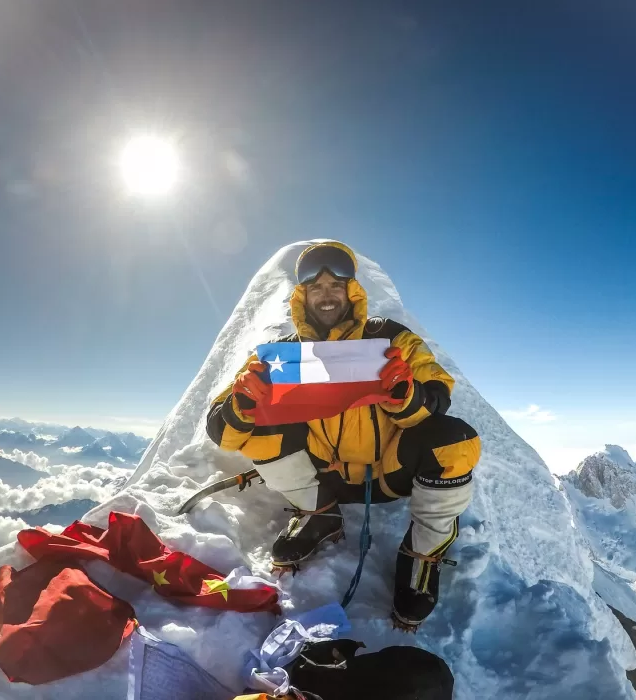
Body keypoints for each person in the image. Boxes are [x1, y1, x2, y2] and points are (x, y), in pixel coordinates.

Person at [206, 241, 481, 629]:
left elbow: (436, 393)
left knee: (454, 441)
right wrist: (243, 404)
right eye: (316, 287)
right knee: (256, 426)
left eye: (335, 285)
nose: (326, 294)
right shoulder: (280, 356)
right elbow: (222, 427)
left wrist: (407, 395)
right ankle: (320, 515)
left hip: (388, 471)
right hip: (325, 476)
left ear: (351, 290)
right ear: (303, 295)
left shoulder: (389, 340)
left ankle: (422, 553)